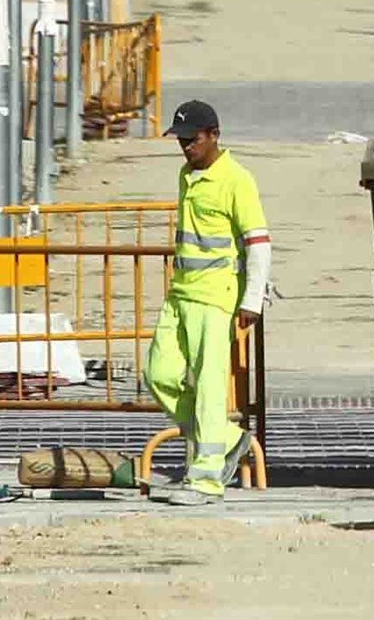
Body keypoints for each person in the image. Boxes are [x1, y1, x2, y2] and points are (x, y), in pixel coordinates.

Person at [143, 100, 272, 506]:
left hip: (215, 299)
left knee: (210, 388)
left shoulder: (237, 180)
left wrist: (252, 299)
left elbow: (258, 244)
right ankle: (227, 439)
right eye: (181, 141)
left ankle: (207, 480)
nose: (185, 148)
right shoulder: (187, 175)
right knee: (159, 374)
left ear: (214, 135)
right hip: (180, 294)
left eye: (192, 139)